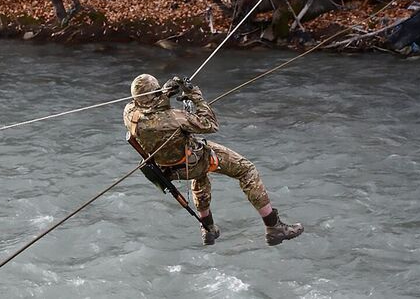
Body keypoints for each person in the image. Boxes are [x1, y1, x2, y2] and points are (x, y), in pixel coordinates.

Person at [123, 74, 304, 246]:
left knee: (200, 177)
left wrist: (164, 92)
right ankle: (274, 227)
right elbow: (210, 124)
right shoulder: (175, 118)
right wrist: (195, 96)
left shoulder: (130, 114)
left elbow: (149, 109)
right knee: (247, 170)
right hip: (195, 160)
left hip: (172, 170)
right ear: (154, 94)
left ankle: (208, 228)